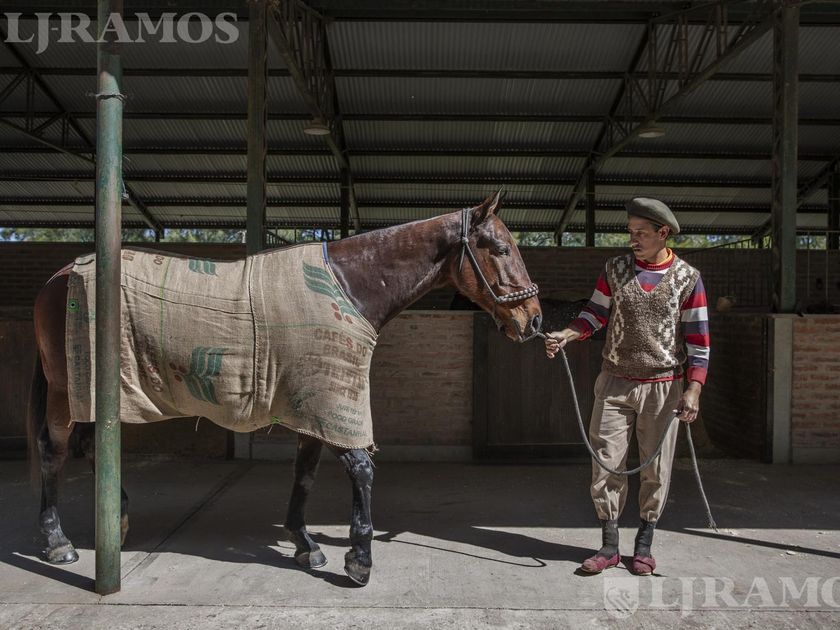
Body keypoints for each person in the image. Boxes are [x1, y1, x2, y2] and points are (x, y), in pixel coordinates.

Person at [545, 198, 709, 576]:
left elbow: (699, 340)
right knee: (605, 462)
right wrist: (568, 334)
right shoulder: (615, 269)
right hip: (615, 382)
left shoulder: (688, 278)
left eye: (641, 233)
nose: (633, 239)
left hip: (663, 386)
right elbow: (595, 313)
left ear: (663, 233)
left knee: (656, 468)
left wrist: (694, 389)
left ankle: (644, 546)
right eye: (630, 232)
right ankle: (609, 546)